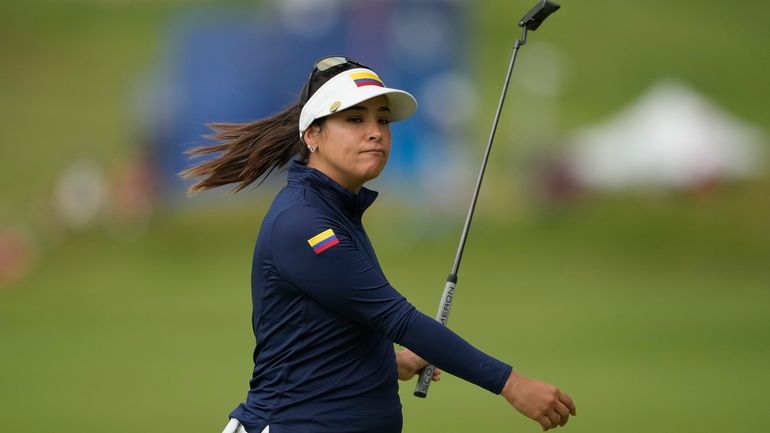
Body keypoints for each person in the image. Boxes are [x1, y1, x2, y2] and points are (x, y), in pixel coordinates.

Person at [182, 56, 576, 433]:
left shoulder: (336, 210)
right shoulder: (304, 223)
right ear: (313, 135)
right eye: (354, 119)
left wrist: (388, 362)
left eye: (382, 120)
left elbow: (326, 329)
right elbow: (396, 318)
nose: (375, 132)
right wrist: (511, 384)